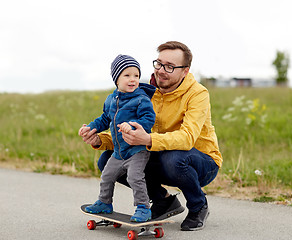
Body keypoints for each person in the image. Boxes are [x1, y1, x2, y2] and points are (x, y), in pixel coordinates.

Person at [80, 41, 223, 231]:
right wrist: (100, 140)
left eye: (170, 67)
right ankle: (163, 200)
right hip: (157, 151)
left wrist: (147, 140)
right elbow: (130, 131)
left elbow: (187, 138)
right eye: (159, 63)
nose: (161, 70)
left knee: (172, 159)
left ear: (185, 71)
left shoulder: (198, 93)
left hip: (201, 162)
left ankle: (198, 206)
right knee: (108, 161)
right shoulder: (145, 92)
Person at [78, 54, 156, 222]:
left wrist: (133, 124)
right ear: (117, 79)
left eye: (136, 75)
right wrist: (91, 127)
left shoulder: (141, 99)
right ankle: (105, 203)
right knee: (107, 175)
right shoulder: (111, 100)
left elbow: (149, 119)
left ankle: (143, 207)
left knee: (134, 177)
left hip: (137, 150)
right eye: (127, 75)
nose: (133, 79)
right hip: (119, 152)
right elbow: (105, 119)